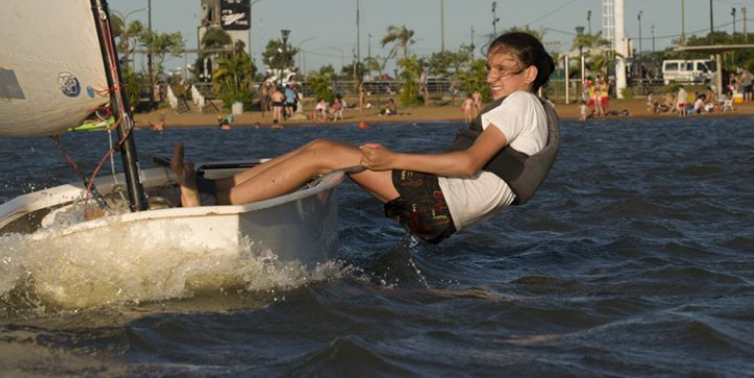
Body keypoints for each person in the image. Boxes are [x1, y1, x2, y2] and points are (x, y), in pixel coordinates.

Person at [174, 32, 559, 244]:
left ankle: (212, 205)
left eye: (503, 69)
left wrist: (392, 159)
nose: (492, 76)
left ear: (529, 74)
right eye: (489, 67)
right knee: (320, 150)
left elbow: (468, 163)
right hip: (442, 211)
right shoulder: (531, 108)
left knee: (320, 156)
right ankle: (212, 190)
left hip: (442, 203)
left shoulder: (521, 102)